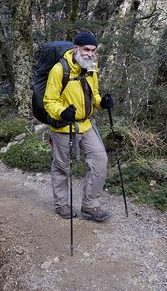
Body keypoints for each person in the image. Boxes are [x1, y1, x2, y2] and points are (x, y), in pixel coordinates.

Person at [43, 31, 114, 222]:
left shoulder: (91, 67)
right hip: (63, 127)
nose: (90, 54)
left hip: (86, 125)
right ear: (75, 48)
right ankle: (62, 204)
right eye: (86, 49)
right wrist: (63, 111)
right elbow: (49, 101)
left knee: (100, 160)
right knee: (62, 167)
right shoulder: (59, 70)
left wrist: (102, 102)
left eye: (93, 50)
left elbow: (94, 94)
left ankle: (90, 205)